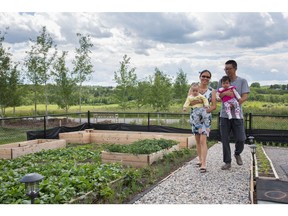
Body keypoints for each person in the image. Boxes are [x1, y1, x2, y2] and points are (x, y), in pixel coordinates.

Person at [217, 60, 250, 170]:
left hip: (237, 115)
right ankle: (227, 162)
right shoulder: (221, 81)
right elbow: (218, 97)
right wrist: (225, 93)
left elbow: (245, 96)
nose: (227, 71)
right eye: (225, 69)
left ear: (235, 69)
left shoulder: (242, 81)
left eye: (229, 68)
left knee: (241, 138)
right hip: (224, 115)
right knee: (225, 139)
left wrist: (235, 104)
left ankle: (237, 153)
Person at [183, 70, 216, 173]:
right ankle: (200, 159)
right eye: (203, 76)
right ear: (200, 76)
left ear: (210, 79)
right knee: (197, 140)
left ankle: (204, 164)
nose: (205, 78)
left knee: (203, 140)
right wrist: (200, 102)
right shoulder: (193, 88)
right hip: (195, 117)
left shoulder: (212, 91)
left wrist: (205, 111)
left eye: (207, 77)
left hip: (205, 118)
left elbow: (214, 106)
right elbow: (189, 102)